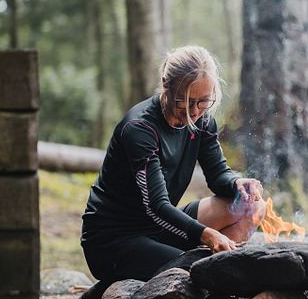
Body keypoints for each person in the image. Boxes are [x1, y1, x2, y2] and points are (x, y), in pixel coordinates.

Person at [81, 45, 264, 283]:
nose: (195, 112)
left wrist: (238, 183)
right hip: (114, 240)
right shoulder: (140, 129)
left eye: (204, 102)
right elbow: (156, 206)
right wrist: (206, 235)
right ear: (166, 85)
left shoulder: (202, 120)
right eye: (184, 102)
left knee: (252, 207)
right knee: (196, 270)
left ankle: (214, 274)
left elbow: (218, 176)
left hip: (161, 226)